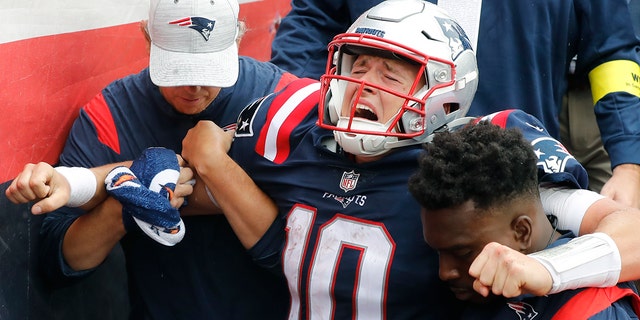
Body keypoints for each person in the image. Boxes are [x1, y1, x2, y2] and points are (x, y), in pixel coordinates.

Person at [177, 1, 640, 317]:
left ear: (444, 92)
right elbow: (195, 194)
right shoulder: (295, 125)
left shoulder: (480, 157)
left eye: (389, 74)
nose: (364, 84)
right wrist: (190, 168)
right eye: (356, 67)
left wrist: (546, 268)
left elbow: (630, 230)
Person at [10, 0, 297, 318]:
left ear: (238, 39)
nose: (194, 86)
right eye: (177, 71)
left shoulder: (280, 98)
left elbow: (301, 245)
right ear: (147, 39)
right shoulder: (110, 116)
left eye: (208, 69)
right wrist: (126, 204)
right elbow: (60, 262)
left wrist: (212, 167)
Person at [269, 0, 640, 208]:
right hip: (379, 167)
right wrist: (293, 108)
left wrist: (629, 163)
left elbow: (612, 53)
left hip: (510, 172)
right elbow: (313, 17)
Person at [408, 122, 640, 319]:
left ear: (522, 231)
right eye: (439, 253)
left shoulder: (591, 309)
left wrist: (548, 269)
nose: (445, 272)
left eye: (463, 252)